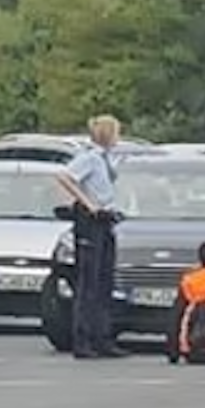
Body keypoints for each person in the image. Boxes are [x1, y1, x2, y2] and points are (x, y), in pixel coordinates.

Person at [57, 115, 129, 360]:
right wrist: (87, 203)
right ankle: (83, 338)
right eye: (116, 132)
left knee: (104, 281)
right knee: (88, 283)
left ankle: (103, 337)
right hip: (91, 222)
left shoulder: (106, 159)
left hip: (107, 220)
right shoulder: (89, 158)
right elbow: (64, 177)